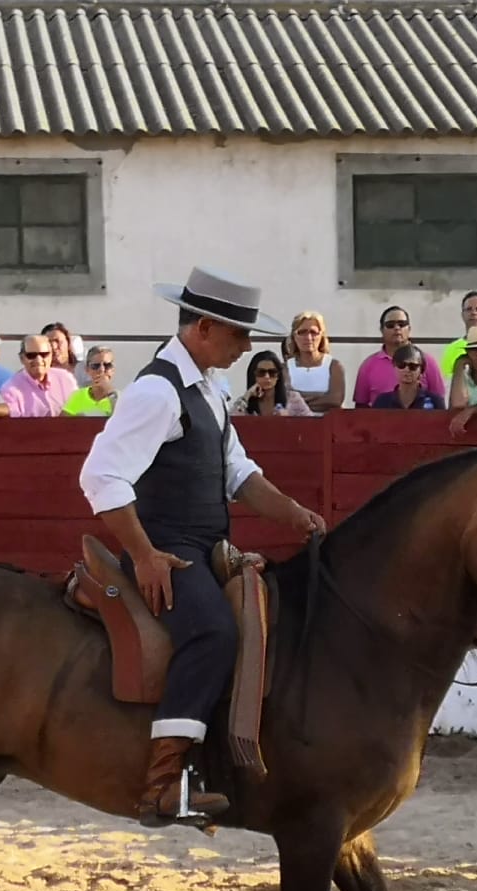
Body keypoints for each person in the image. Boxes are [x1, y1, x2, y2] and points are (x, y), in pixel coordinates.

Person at [78, 266, 326, 823]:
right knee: (213, 633)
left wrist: (294, 514)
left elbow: (238, 473)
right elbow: (101, 477)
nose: (246, 348)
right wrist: (143, 555)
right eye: (240, 335)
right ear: (206, 328)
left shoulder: (208, 389)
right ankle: (162, 783)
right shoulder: (156, 391)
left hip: (200, 547)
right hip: (166, 550)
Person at [281, 311, 346, 412]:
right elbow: (285, 399)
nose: (308, 338)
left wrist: (300, 400)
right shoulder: (285, 368)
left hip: (326, 425)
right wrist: (320, 397)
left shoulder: (334, 366)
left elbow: (335, 400)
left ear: (321, 335)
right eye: (302, 332)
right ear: (294, 336)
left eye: (313, 332)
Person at [232, 350, 312, 416]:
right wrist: (247, 395)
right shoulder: (245, 402)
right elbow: (231, 421)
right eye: (261, 372)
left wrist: (289, 419)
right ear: (253, 375)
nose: (267, 377)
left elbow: (312, 424)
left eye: (272, 372)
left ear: (278, 376)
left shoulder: (293, 398)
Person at [373, 344, 446, 411]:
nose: (407, 369)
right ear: (394, 367)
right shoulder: (382, 402)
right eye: (401, 365)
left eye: (413, 366)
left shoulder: (435, 401)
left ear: (421, 371)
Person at [65, 346, 119, 416]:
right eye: (95, 366)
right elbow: (62, 423)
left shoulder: (121, 398)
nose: (101, 370)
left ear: (113, 370)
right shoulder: (77, 396)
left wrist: (111, 394)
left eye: (107, 365)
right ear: (87, 369)